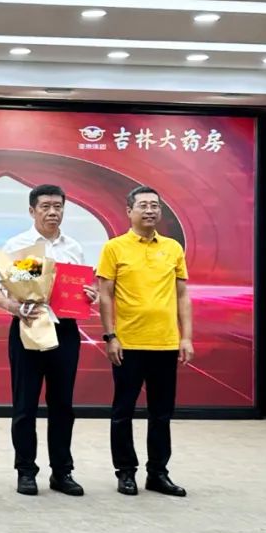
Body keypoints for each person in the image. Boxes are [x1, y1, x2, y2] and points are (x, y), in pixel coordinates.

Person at [0, 184, 96, 497]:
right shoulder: (19, 246)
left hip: (65, 330)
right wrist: (15, 308)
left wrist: (90, 294)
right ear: (32, 210)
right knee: (25, 404)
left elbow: (84, 289)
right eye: (46, 206)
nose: (52, 212)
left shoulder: (73, 247)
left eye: (58, 206)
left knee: (63, 405)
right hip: (28, 327)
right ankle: (26, 471)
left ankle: (62, 472)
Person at [96, 186, 191, 497]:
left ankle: (158, 473)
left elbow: (182, 295)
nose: (150, 210)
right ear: (129, 211)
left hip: (165, 343)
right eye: (143, 205)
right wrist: (110, 336)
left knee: (161, 413)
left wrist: (186, 337)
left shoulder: (173, 248)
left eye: (155, 206)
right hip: (129, 343)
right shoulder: (114, 248)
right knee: (123, 411)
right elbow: (105, 295)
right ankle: (125, 472)